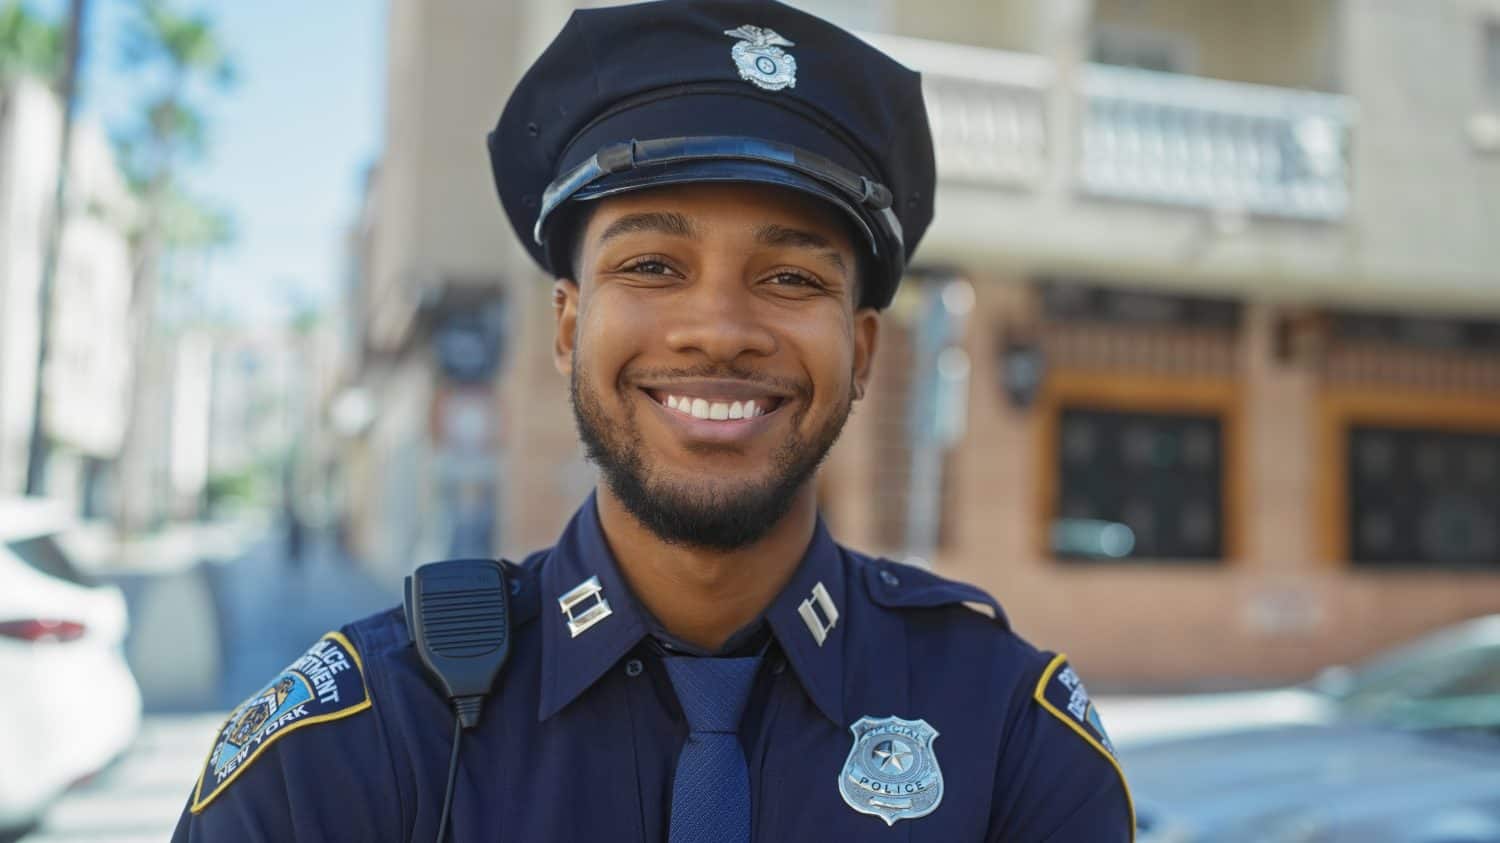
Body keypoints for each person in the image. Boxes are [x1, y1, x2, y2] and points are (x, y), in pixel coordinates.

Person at [172, 1, 1134, 840]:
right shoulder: (361, 741)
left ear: (866, 352)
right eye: (651, 266)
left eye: (792, 277)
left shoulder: (1010, 737)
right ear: (567, 322)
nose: (718, 331)